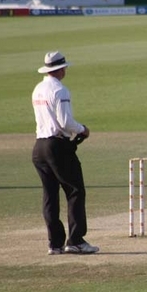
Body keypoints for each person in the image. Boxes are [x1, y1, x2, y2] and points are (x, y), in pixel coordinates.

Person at [31, 51, 99, 255]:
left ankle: (55, 244)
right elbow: (65, 122)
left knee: (50, 195)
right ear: (59, 69)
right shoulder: (60, 90)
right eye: (64, 67)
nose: (65, 70)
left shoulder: (38, 88)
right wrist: (82, 129)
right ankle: (76, 240)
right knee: (75, 191)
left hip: (39, 147)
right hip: (57, 146)